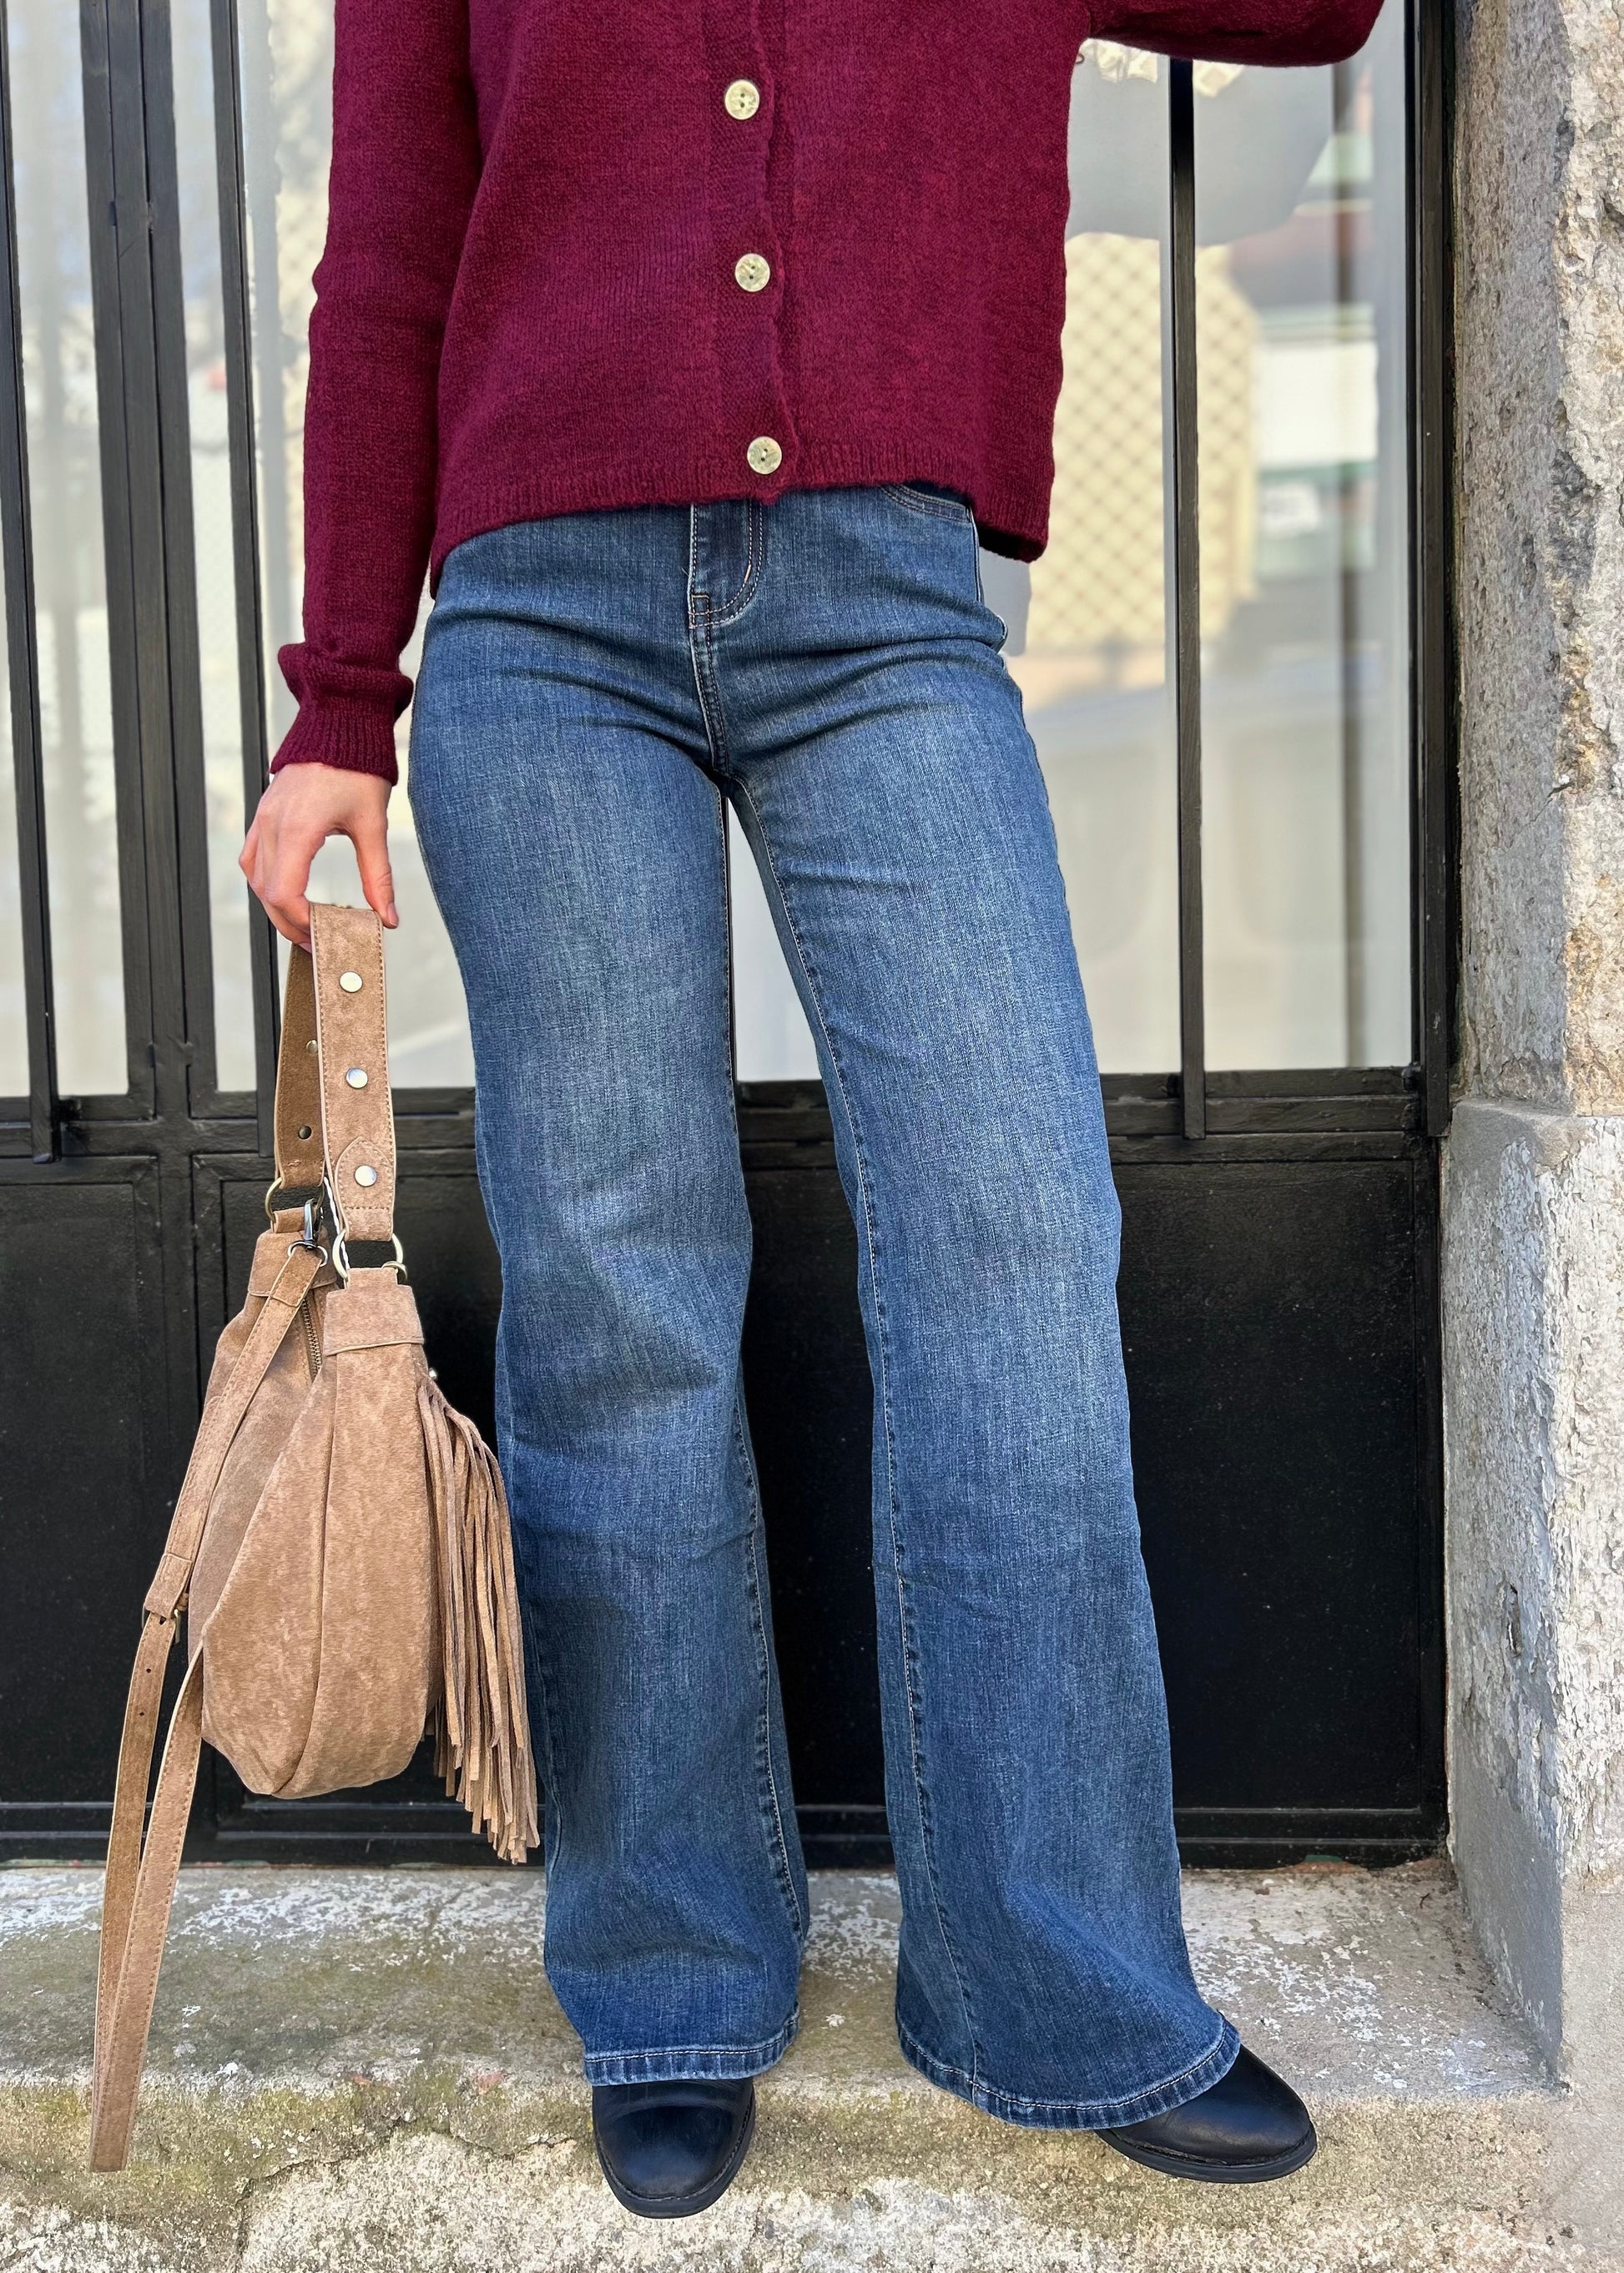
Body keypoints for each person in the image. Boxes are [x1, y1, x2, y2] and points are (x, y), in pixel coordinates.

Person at [243, 0, 1384, 2220]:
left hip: (887, 611)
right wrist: (340, 703)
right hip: (538, 626)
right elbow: (386, 257)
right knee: (620, 1308)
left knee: (1015, 1256)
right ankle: (668, 1981)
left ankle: (1060, 1987)